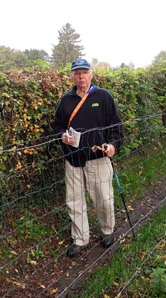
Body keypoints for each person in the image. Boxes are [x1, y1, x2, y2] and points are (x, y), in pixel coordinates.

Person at [54, 58, 124, 258]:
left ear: (91, 73)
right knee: (74, 200)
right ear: (72, 76)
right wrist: (62, 136)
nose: (81, 77)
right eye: (77, 73)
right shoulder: (66, 100)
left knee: (103, 198)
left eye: (84, 72)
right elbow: (57, 125)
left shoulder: (103, 97)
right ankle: (80, 238)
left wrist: (113, 145)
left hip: (99, 158)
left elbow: (116, 126)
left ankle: (107, 231)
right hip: (73, 158)